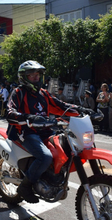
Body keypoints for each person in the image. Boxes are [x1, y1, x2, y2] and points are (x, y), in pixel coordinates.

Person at [7, 60, 80, 203]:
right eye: (31, 75)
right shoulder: (18, 93)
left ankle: (51, 177)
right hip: (26, 133)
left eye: (37, 75)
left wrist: (81, 110)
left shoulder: (44, 94)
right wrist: (28, 117)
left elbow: (60, 106)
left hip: (46, 132)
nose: (36, 78)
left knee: (68, 149)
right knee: (45, 157)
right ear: (23, 77)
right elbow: (10, 113)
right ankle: (25, 186)